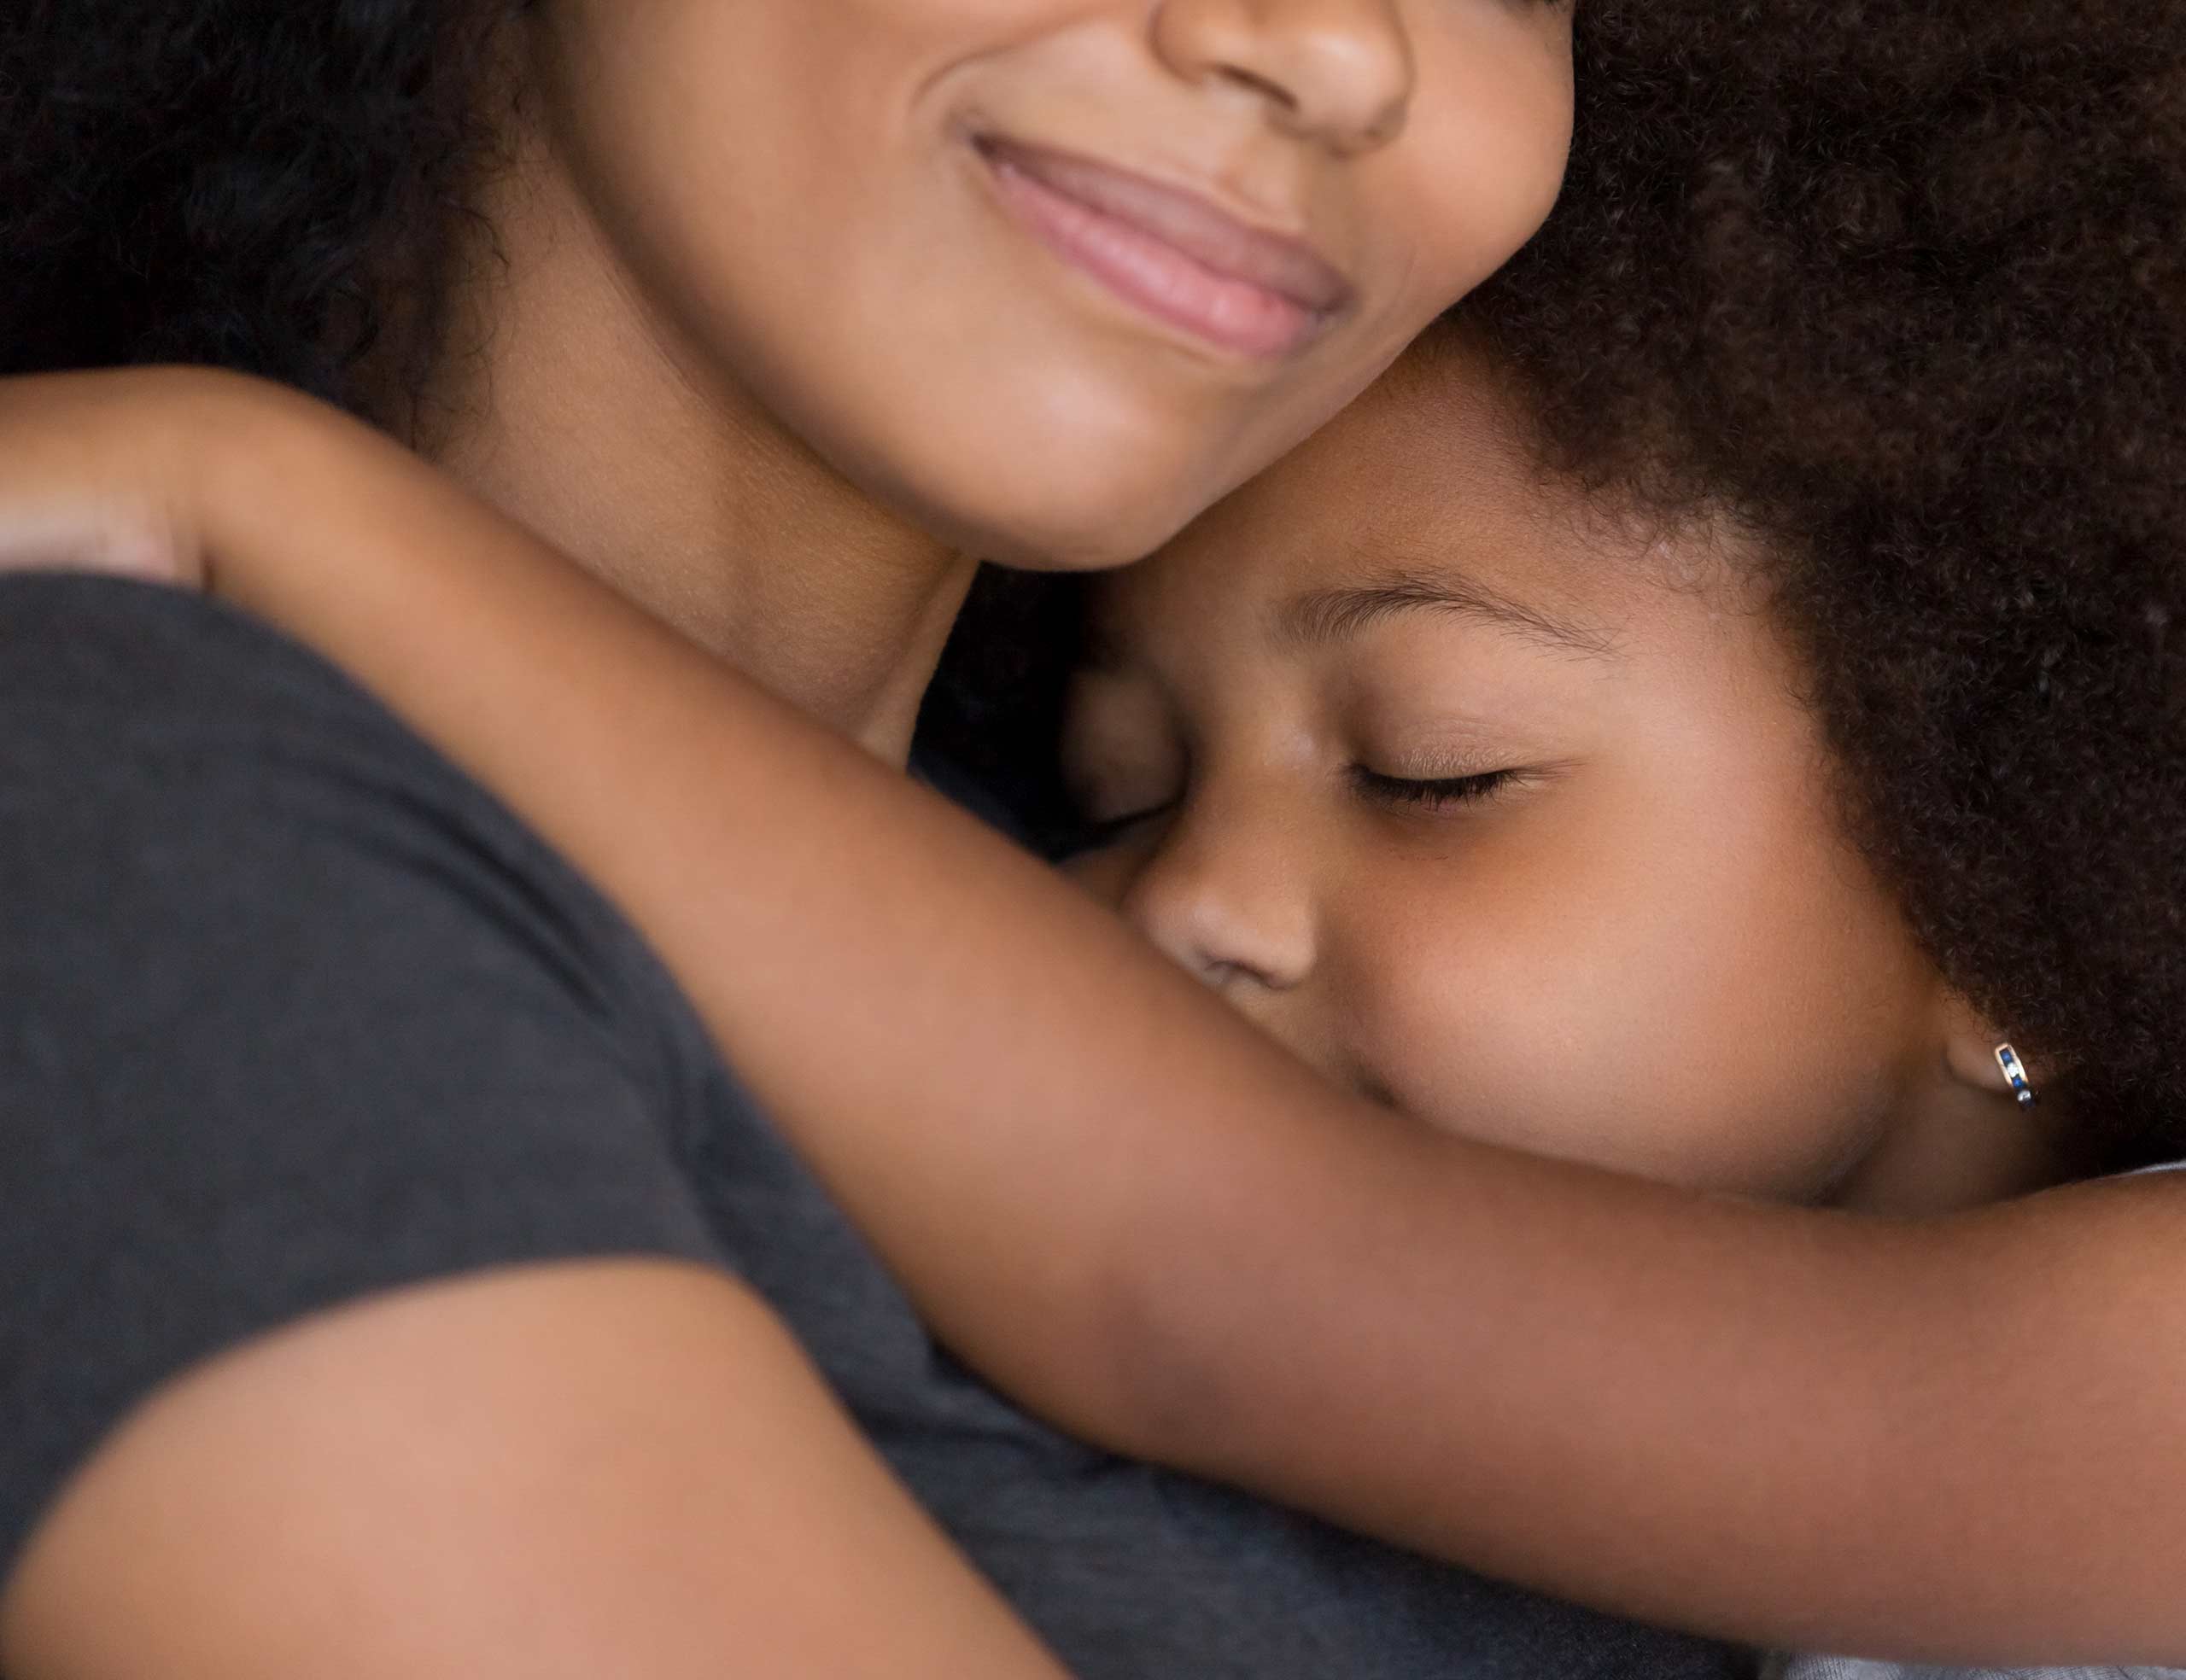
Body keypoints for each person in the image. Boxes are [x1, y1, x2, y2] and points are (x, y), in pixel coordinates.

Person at [7, 1, 2177, 1673]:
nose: (1333, 41)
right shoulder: (128, 829)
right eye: (1145, 796)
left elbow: (1226, 1269)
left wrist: (257, 491)